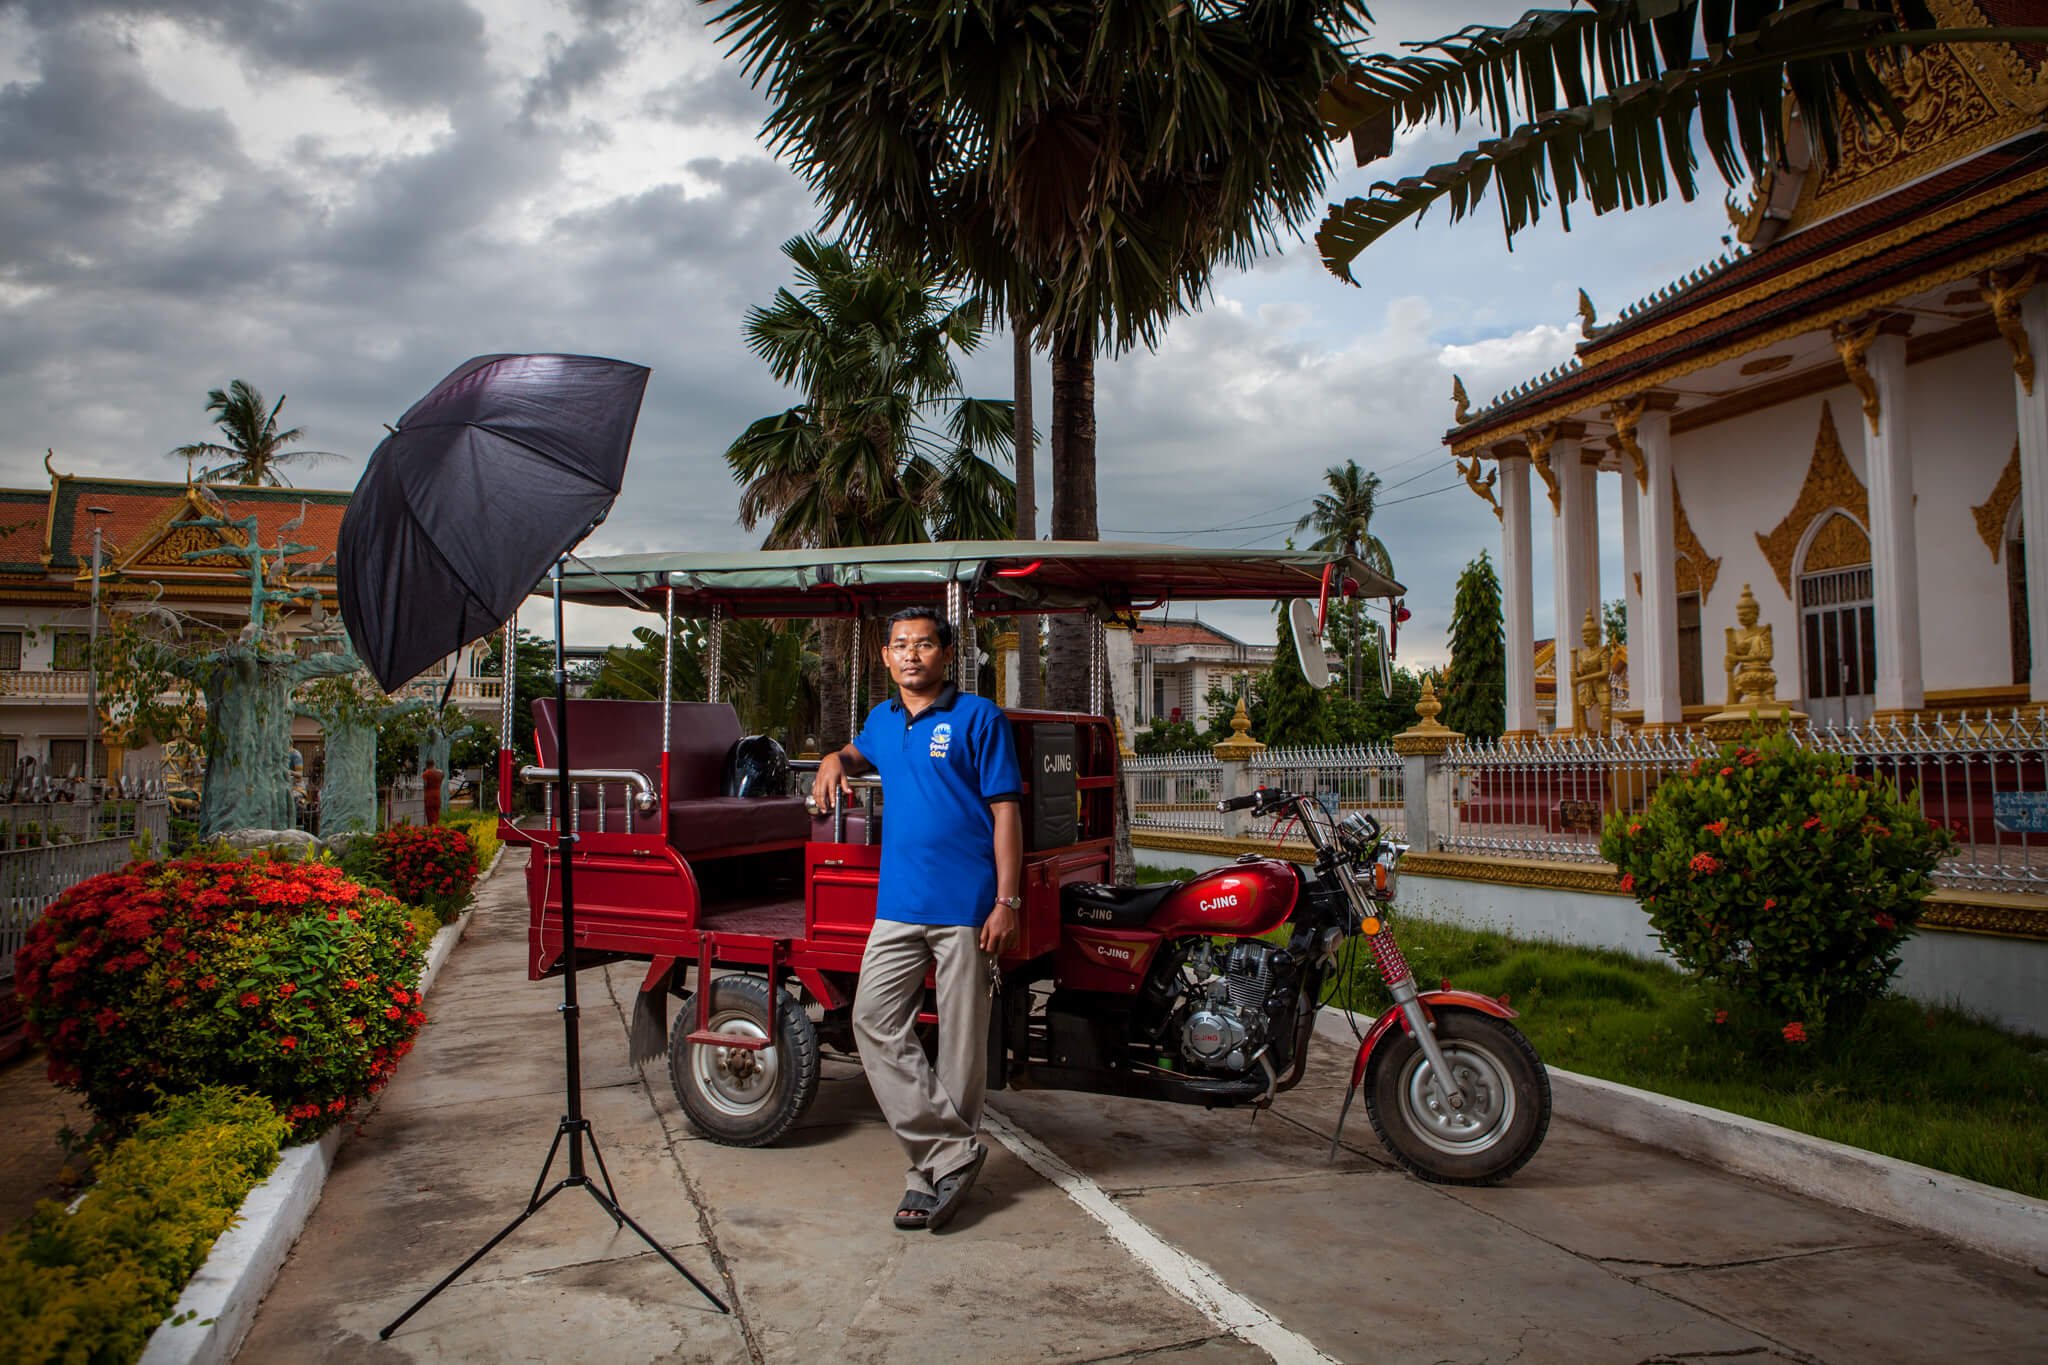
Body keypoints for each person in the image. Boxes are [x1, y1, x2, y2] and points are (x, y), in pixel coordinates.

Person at [812, 606, 1023, 1233]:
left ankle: (927, 1175)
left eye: (924, 644)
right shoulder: (882, 720)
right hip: (898, 906)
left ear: (947, 653)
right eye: (900, 644)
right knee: (872, 1019)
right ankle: (951, 1152)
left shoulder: (978, 718)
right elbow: (855, 753)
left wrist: (1006, 901)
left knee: (960, 1048)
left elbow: (1006, 813)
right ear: (884, 656)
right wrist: (832, 760)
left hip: (966, 906)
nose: (911, 654)